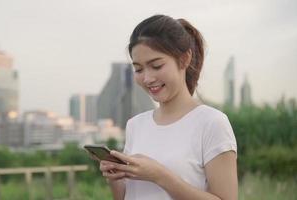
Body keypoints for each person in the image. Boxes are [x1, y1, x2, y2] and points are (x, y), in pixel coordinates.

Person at [99, 14, 238, 200]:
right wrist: (115, 179)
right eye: (138, 69)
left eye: (156, 66)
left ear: (184, 59)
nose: (147, 78)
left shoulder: (212, 123)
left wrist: (160, 176)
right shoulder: (135, 125)